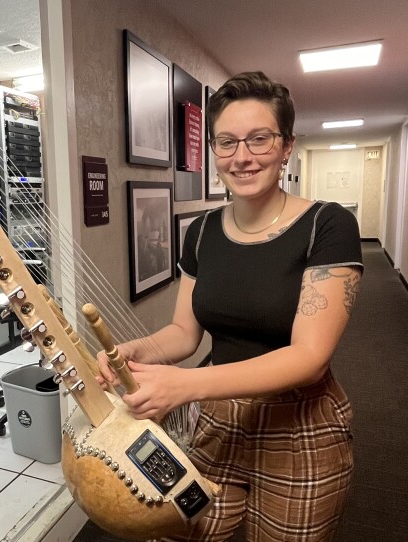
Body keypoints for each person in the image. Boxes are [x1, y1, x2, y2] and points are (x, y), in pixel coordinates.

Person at [97, 71, 363, 541]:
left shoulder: (329, 224)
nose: (242, 157)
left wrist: (183, 386)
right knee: (181, 530)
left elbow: (308, 357)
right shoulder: (200, 232)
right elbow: (184, 332)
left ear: (286, 147)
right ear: (214, 153)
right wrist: (136, 351)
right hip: (218, 420)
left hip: (299, 427)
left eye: (259, 139)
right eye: (226, 142)